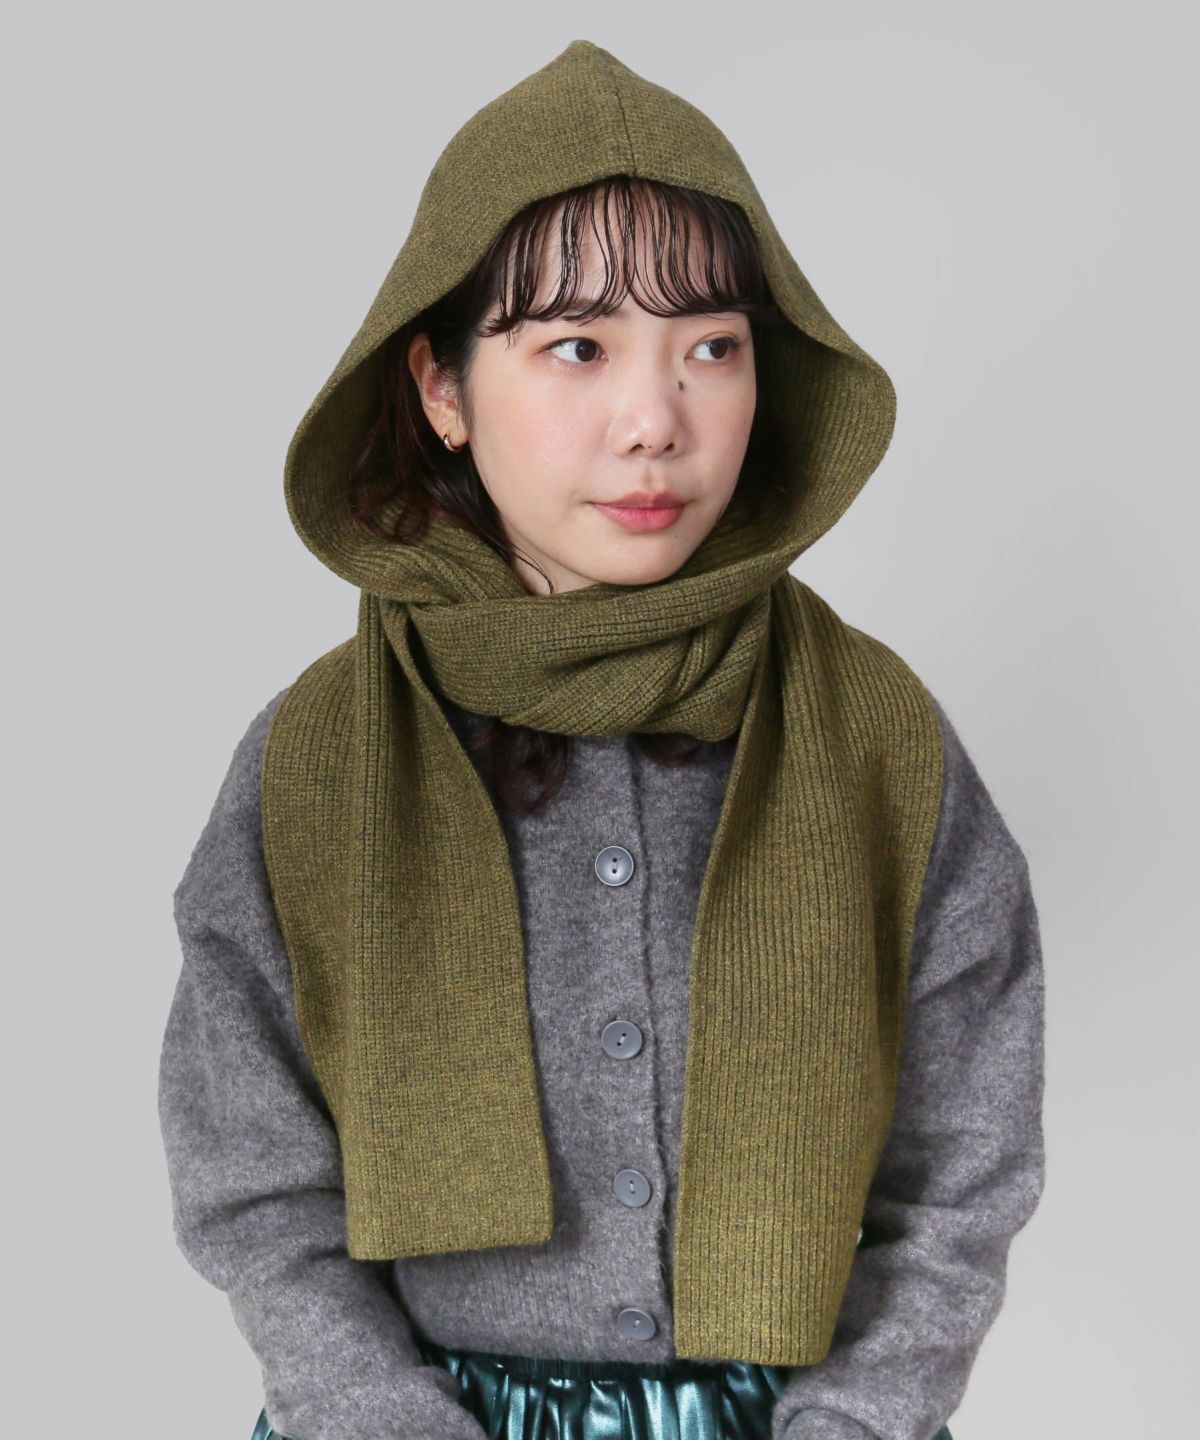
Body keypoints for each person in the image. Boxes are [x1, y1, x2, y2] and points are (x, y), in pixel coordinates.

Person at [157, 38, 1045, 1440]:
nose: (654, 422)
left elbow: (963, 1172)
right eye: (577, 347)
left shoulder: (879, 741)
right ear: (442, 389)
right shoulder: (319, 759)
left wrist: (855, 1425)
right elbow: (254, 1183)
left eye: (712, 348)